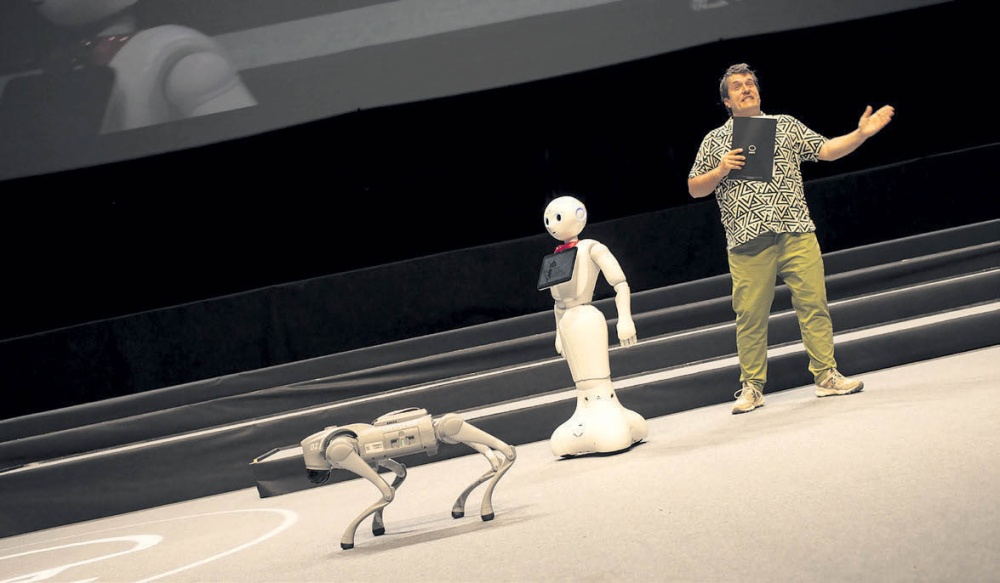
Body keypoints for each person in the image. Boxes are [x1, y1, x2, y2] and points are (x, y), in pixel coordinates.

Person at [687, 63, 895, 414]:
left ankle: (826, 376)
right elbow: (695, 188)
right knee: (750, 316)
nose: (746, 88)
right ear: (727, 101)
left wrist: (861, 134)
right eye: (737, 86)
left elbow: (827, 150)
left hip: (795, 230)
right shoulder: (715, 140)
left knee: (814, 304)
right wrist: (721, 169)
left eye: (750, 83)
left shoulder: (784, 124)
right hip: (747, 241)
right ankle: (751, 387)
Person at [540, 195, 648, 455]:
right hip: (568, 322)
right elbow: (558, 302)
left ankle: (605, 408)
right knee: (581, 379)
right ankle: (586, 410)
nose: (552, 224)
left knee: (596, 374)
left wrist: (625, 318)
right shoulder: (557, 257)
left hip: (588, 318)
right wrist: (558, 333)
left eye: (557, 218)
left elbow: (620, 284)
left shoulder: (591, 248)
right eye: (548, 220)